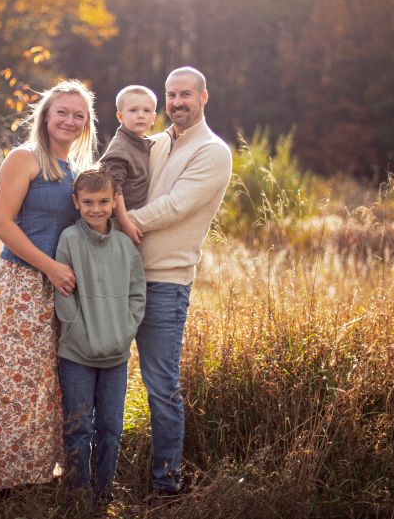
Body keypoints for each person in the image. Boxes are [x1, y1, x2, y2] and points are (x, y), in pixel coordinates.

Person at [0, 79, 97, 490]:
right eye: (62, 112)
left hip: (61, 286)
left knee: (51, 382)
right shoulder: (25, 157)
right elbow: (1, 223)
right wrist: (49, 267)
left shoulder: (78, 171)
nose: (69, 120)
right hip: (22, 283)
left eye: (78, 115)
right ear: (46, 116)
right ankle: (10, 482)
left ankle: (43, 472)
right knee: (15, 378)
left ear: (86, 125)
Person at [127, 66, 232, 495]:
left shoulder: (213, 151)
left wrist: (116, 222)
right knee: (102, 377)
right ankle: (95, 480)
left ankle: (166, 485)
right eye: (170, 95)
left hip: (165, 284)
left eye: (185, 94)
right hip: (119, 278)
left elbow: (175, 206)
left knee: (161, 385)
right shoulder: (153, 143)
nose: (176, 103)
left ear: (204, 97)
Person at [54, 166, 146, 503]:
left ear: (113, 202)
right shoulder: (70, 239)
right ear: (76, 202)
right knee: (79, 427)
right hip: (77, 354)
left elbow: (138, 293)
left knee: (110, 428)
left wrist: (126, 330)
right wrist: (76, 327)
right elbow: (63, 291)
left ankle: (103, 495)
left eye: (104, 201)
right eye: (89, 201)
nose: (96, 208)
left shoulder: (124, 245)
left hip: (116, 356)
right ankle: (78, 496)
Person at [99, 84, 157, 246]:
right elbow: (114, 189)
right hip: (116, 225)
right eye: (133, 110)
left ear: (153, 118)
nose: (140, 115)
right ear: (120, 116)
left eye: (146, 111)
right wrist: (126, 224)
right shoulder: (121, 148)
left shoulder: (141, 142)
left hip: (134, 218)